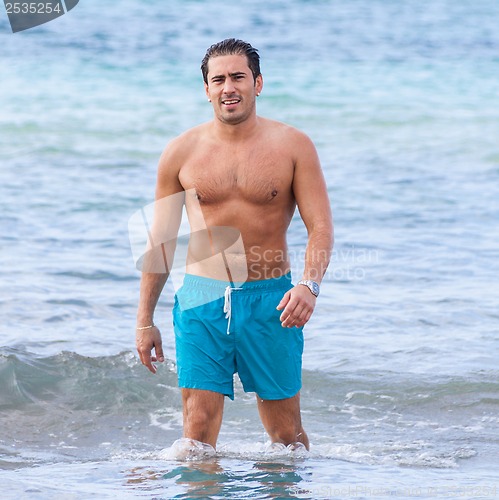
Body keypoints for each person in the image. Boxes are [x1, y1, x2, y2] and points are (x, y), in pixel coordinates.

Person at [135, 38, 333, 452]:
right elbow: (162, 241)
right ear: (206, 89)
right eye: (219, 79)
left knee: (286, 435)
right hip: (201, 298)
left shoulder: (293, 146)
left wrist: (309, 286)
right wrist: (144, 320)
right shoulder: (179, 153)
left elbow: (321, 227)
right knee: (197, 432)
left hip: (272, 302)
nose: (229, 87)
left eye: (238, 77)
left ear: (258, 83)